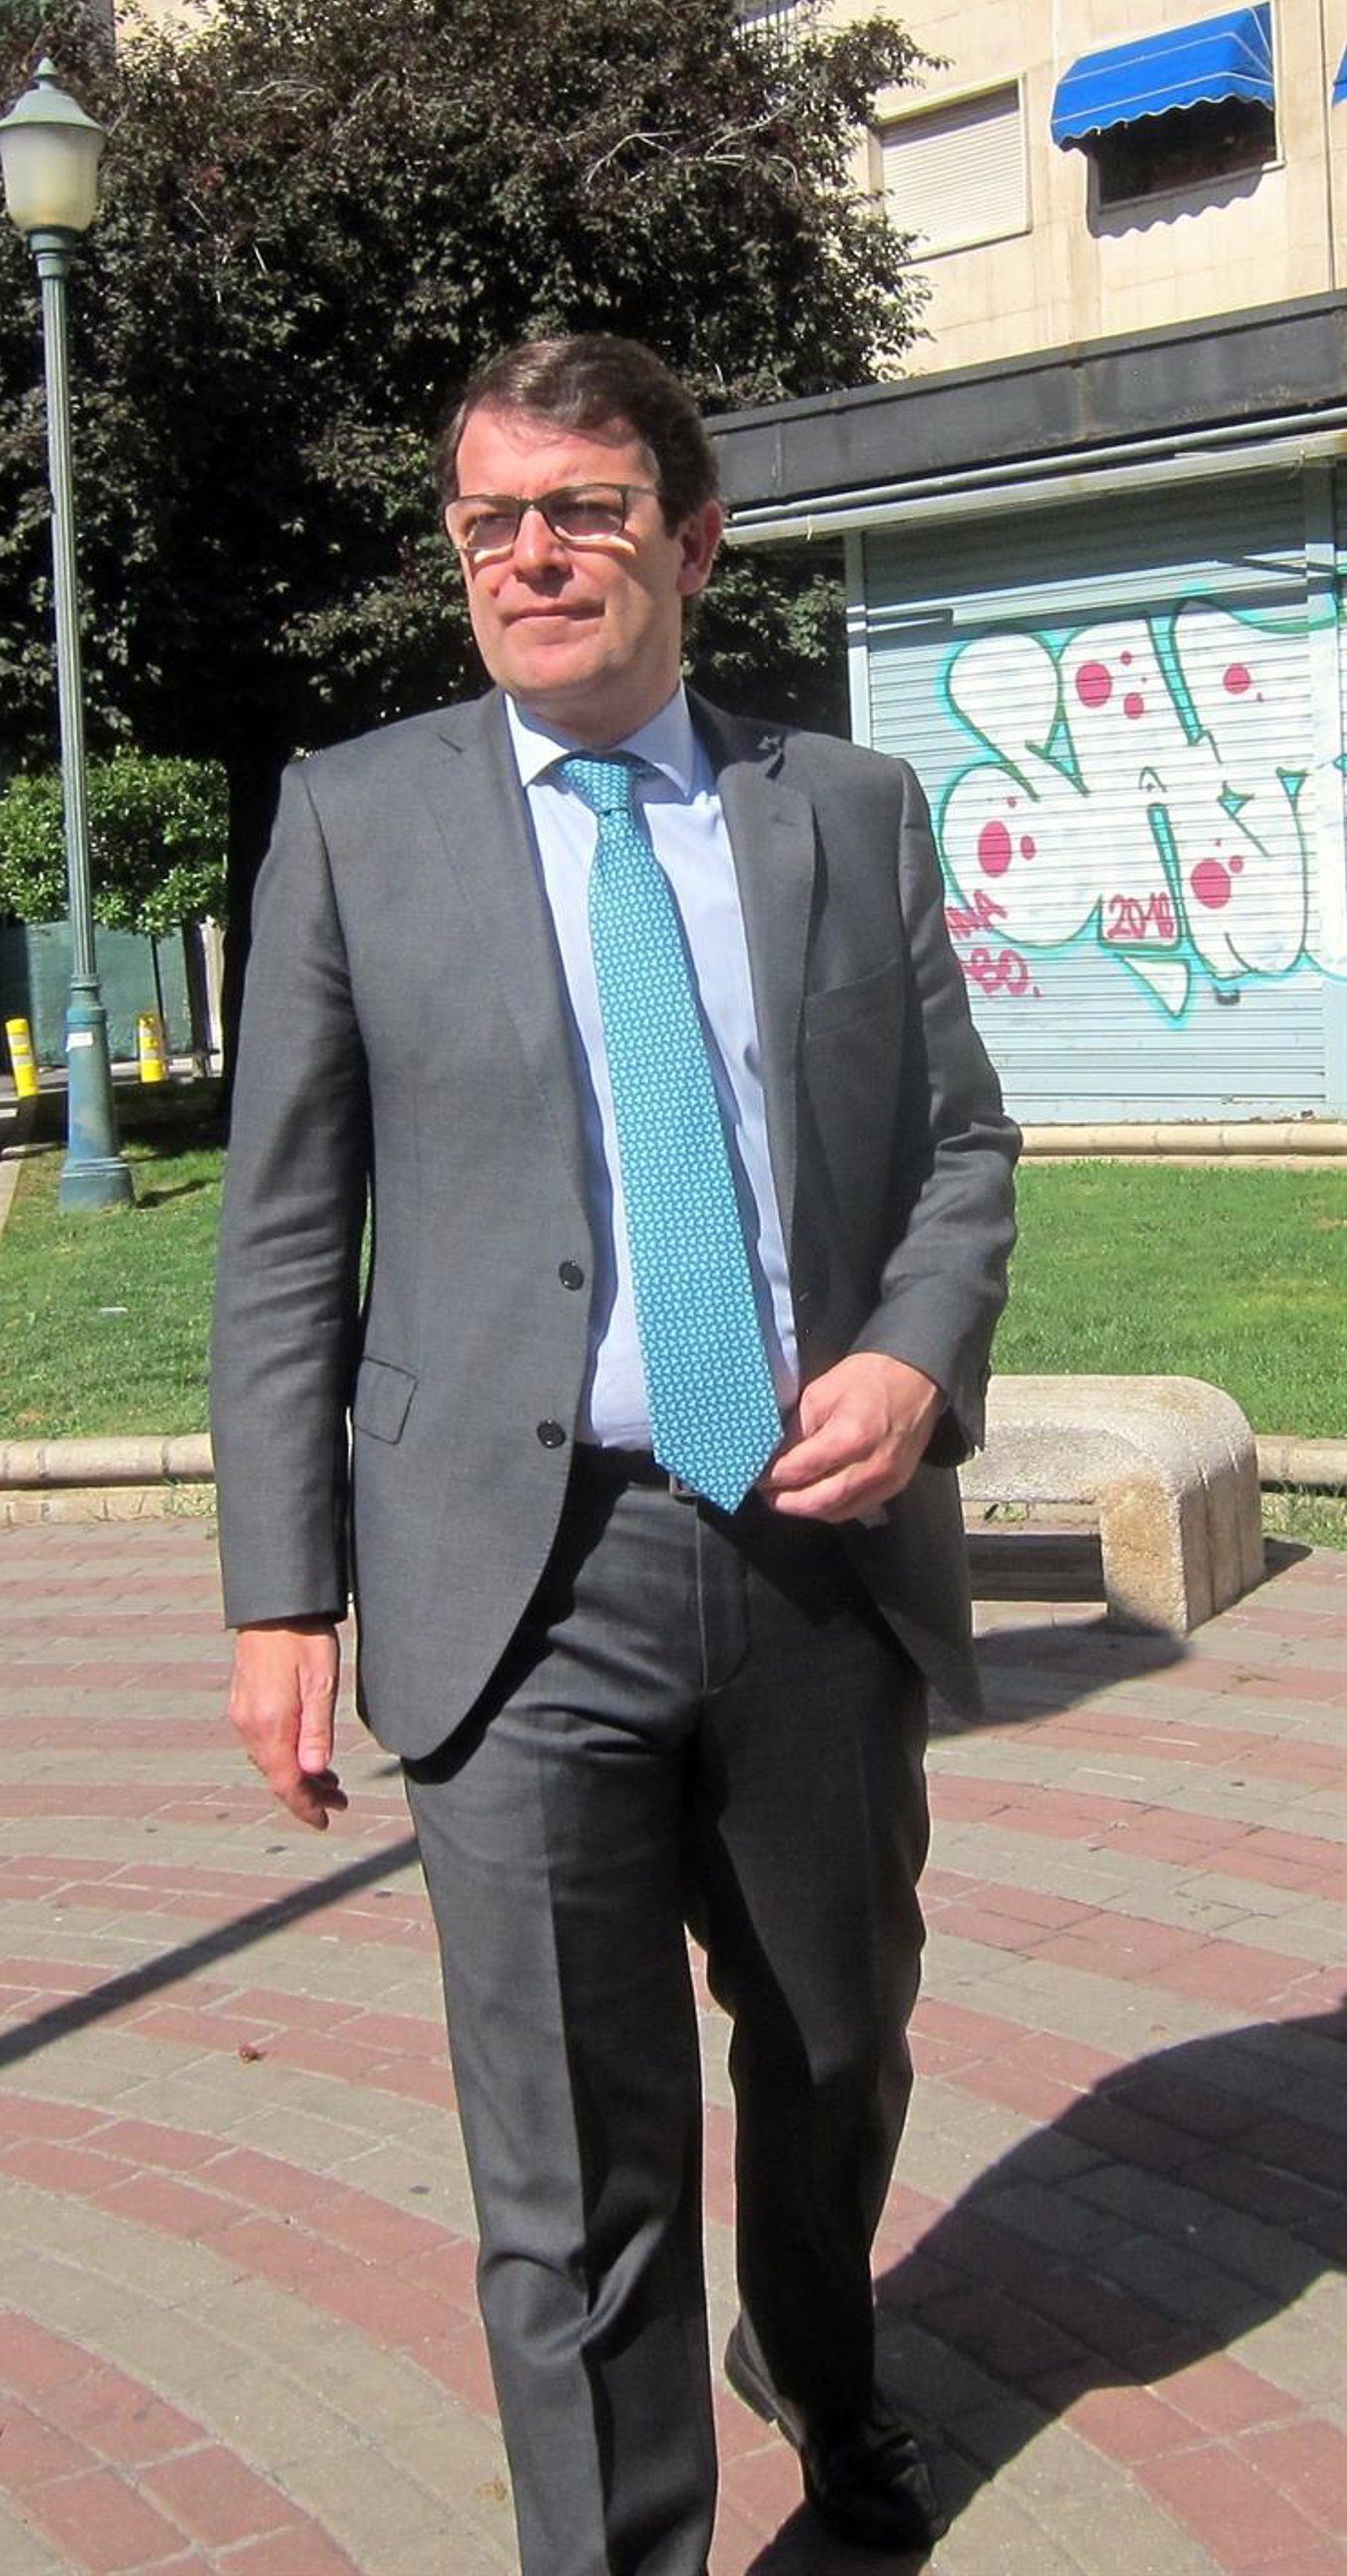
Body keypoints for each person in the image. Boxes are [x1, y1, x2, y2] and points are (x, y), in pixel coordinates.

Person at [211, 334, 1018, 2574]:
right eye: (490, 520)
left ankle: (819, 2359)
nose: (531, 555)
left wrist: (914, 1359)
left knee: (837, 2049)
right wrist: (280, 1591)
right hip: (509, 1574)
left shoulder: (842, 809)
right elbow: (282, 1229)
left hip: (808, 1557)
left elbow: (960, 1151)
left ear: (695, 540)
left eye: (580, 510)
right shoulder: (356, 818)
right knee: (571, 2163)